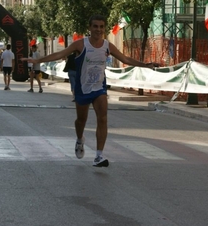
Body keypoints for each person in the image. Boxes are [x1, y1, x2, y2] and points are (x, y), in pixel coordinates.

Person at [21, 15, 159, 167]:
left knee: (103, 118)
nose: (98, 30)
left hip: (99, 88)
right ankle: (80, 139)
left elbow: (125, 59)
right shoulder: (81, 44)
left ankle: (99, 156)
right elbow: (60, 54)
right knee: (81, 121)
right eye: (95, 26)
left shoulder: (107, 46)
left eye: (101, 27)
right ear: (89, 28)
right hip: (82, 88)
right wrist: (37, 61)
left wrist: (145, 65)